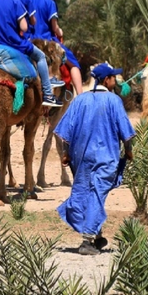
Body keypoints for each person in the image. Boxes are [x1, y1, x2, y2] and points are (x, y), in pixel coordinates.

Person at [54, 63, 135, 255]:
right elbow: (127, 133)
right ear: (106, 80)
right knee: (97, 193)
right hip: (105, 157)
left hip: (81, 156)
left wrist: (66, 153)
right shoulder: (114, 100)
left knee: (85, 191)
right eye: (113, 77)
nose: (115, 81)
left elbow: (65, 132)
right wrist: (129, 151)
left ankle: (97, 236)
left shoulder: (80, 100)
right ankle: (88, 241)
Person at [29, 0, 83, 95]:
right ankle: (81, 96)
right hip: (47, 41)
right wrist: (60, 32)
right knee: (74, 64)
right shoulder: (50, 2)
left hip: (29, 40)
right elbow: (54, 27)